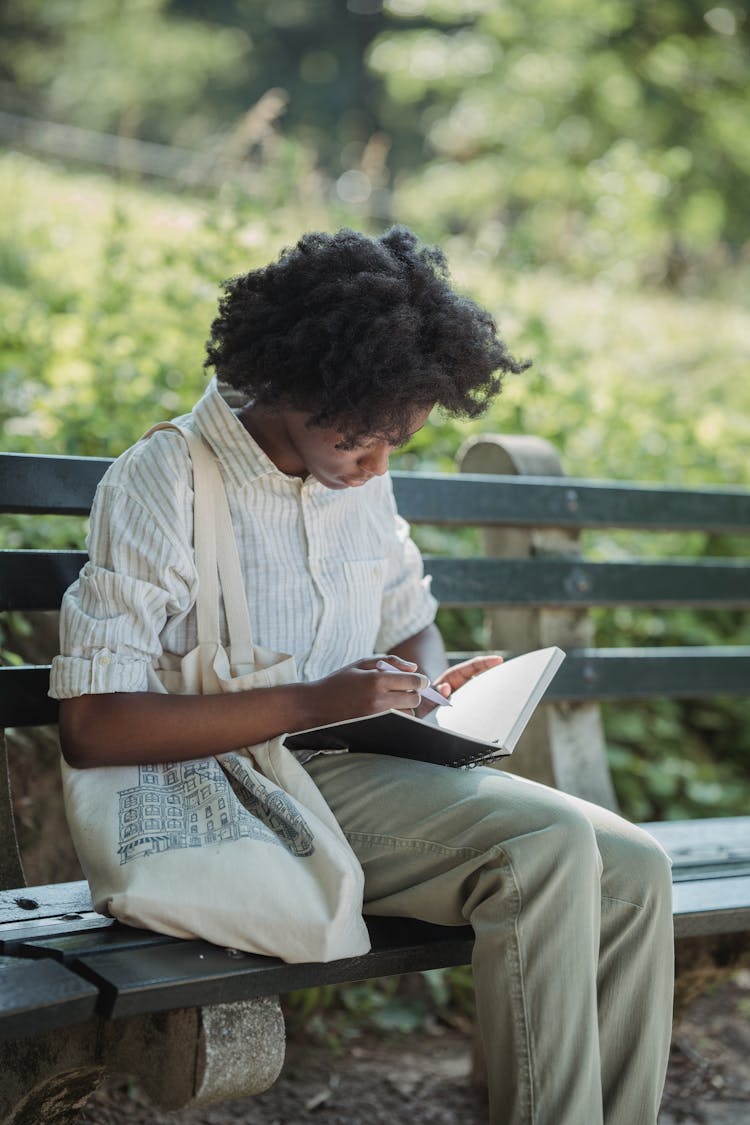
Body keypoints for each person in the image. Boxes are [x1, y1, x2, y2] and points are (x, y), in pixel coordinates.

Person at [51, 226, 674, 1125]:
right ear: (299, 384)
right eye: (362, 442)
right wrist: (317, 699)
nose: (378, 467)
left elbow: (407, 618)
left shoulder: (358, 478)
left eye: (397, 444)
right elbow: (93, 725)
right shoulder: (165, 481)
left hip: (360, 771)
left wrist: (428, 692)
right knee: (545, 847)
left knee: (636, 867)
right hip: (238, 792)